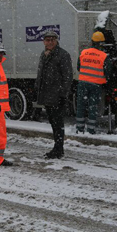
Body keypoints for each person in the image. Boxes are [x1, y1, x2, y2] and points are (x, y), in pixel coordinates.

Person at [35, 30, 73, 159]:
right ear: (44, 42)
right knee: (53, 122)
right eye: (47, 40)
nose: (50, 42)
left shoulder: (63, 55)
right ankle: (57, 148)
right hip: (47, 95)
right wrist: (38, 89)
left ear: (56, 41)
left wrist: (63, 95)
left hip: (57, 96)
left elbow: (67, 77)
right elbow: (41, 74)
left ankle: (58, 149)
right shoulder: (44, 54)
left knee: (58, 123)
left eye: (52, 40)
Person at [75, 31, 112, 135]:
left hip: (82, 83)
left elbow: (79, 67)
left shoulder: (83, 53)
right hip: (96, 85)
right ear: (101, 43)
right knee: (93, 107)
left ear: (92, 42)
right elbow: (108, 72)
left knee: (81, 106)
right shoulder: (104, 56)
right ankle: (91, 129)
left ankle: (79, 128)